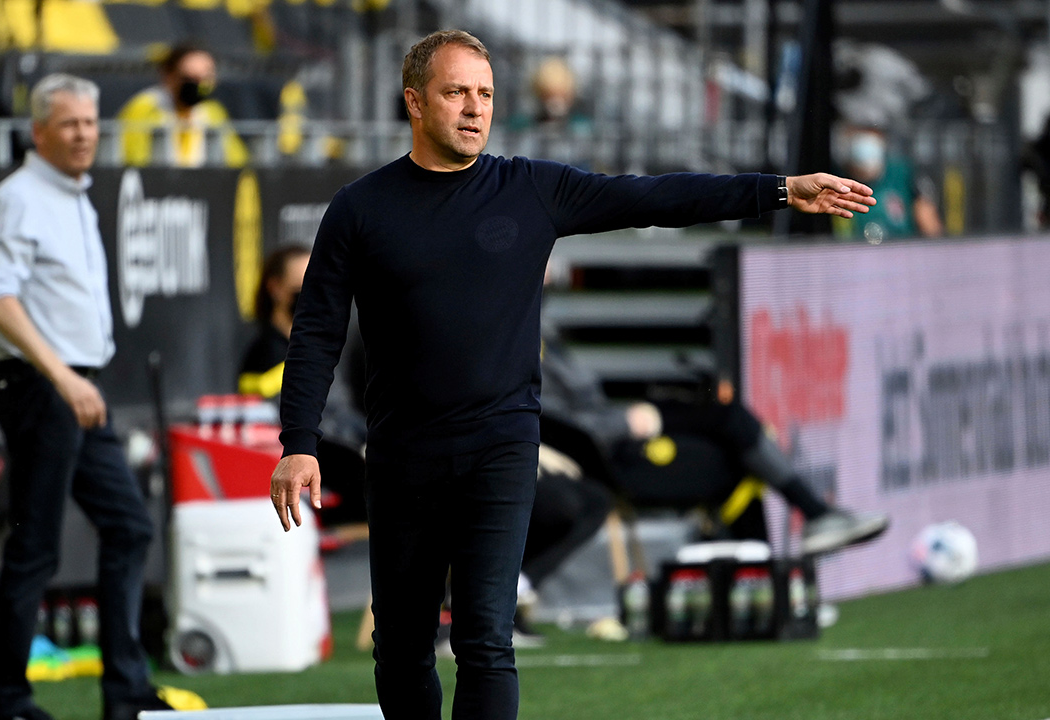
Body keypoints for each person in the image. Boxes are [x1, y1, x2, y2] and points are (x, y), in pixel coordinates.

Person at [269, 29, 875, 720]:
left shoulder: (531, 189)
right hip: (403, 455)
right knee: (403, 646)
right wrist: (299, 442)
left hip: (500, 447)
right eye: (455, 92)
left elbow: (655, 196)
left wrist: (779, 189)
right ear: (414, 101)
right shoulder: (361, 207)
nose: (474, 108)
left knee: (484, 639)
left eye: (486, 94)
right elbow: (315, 329)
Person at [0, 73, 173, 720]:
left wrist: (74, 381)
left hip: (75, 387)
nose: (85, 134)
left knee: (129, 524)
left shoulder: (75, 194)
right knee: (35, 544)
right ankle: (8, 701)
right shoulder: (20, 197)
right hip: (43, 386)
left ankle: (125, 693)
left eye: (91, 123)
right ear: (39, 131)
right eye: (70, 124)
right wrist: (62, 377)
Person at [538, 321, 889, 555]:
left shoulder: (542, 334)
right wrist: (623, 424)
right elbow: (559, 424)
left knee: (732, 430)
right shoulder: (522, 343)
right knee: (733, 437)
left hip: (614, 434)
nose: (551, 270)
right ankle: (807, 523)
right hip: (607, 454)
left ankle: (796, 543)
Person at [118, 43, 249, 168]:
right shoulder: (146, 108)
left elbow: (237, 163)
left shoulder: (213, 113)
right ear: (168, 75)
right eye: (188, 78)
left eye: (206, 78)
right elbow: (131, 159)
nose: (198, 85)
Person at [833, 124, 942, 242]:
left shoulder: (902, 173)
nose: (866, 150)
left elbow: (928, 221)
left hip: (903, 251)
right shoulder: (836, 182)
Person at [239, 244, 311, 399]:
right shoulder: (266, 352)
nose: (313, 296)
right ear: (275, 288)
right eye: (302, 287)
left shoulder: (313, 346)